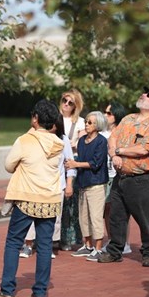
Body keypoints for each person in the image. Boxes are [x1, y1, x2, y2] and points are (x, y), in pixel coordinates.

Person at [0, 100, 64, 297]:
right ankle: (40, 291)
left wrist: (29, 133)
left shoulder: (25, 140)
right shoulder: (58, 144)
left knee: (14, 242)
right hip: (49, 199)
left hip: (26, 197)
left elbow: (9, 165)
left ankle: (7, 289)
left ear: (35, 118)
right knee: (44, 246)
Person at [98, 87, 149, 267]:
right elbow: (112, 138)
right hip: (121, 177)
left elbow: (144, 149)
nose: (143, 94)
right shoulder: (128, 118)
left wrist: (120, 151)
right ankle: (115, 250)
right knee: (116, 216)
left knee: (145, 218)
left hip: (142, 179)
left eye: (148, 94)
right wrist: (114, 155)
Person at [19, 113, 76, 259]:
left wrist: (69, 184)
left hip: (57, 185)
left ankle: (48, 246)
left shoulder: (63, 141)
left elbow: (69, 164)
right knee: (31, 214)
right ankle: (28, 245)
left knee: (54, 218)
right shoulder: (37, 138)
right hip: (37, 184)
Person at [67, 111, 109, 261]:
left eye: (90, 122)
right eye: (86, 122)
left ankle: (98, 248)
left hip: (96, 184)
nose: (86, 124)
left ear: (98, 125)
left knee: (96, 217)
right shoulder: (82, 140)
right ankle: (88, 245)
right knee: (83, 217)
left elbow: (96, 163)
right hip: (83, 184)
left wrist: (75, 164)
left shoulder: (102, 141)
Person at [101, 101, 130, 253]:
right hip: (106, 175)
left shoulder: (123, 132)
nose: (105, 115)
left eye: (109, 113)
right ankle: (112, 240)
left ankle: (124, 242)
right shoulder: (103, 133)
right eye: (105, 112)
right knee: (107, 210)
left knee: (120, 210)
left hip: (118, 175)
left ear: (117, 115)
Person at [59, 89, 86, 251]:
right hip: (56, 161)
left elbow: (82, 143)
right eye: (64, 100)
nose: (66, 105)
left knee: (71, 201)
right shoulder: (55, 118)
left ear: (76, 106)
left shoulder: (80, 122)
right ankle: (55, 236)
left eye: (70, 102)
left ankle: (70, 237)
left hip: (71, 161)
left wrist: (70, 144)